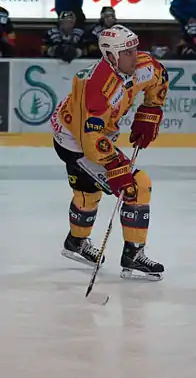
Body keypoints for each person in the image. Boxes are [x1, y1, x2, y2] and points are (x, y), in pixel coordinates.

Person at [51, 24, 169, 280]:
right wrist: (117, 168)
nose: (135, 56)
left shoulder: (139, 66)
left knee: (88, 192)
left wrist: (151, 112)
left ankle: (76, 243)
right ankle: (133, 256)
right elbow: (90, 139)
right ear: (110, 55)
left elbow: (159, 74)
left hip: (85, 134)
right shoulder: (97, 87)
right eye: (127, 52)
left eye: (135, 49)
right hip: (76, 142)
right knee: (137, 184)